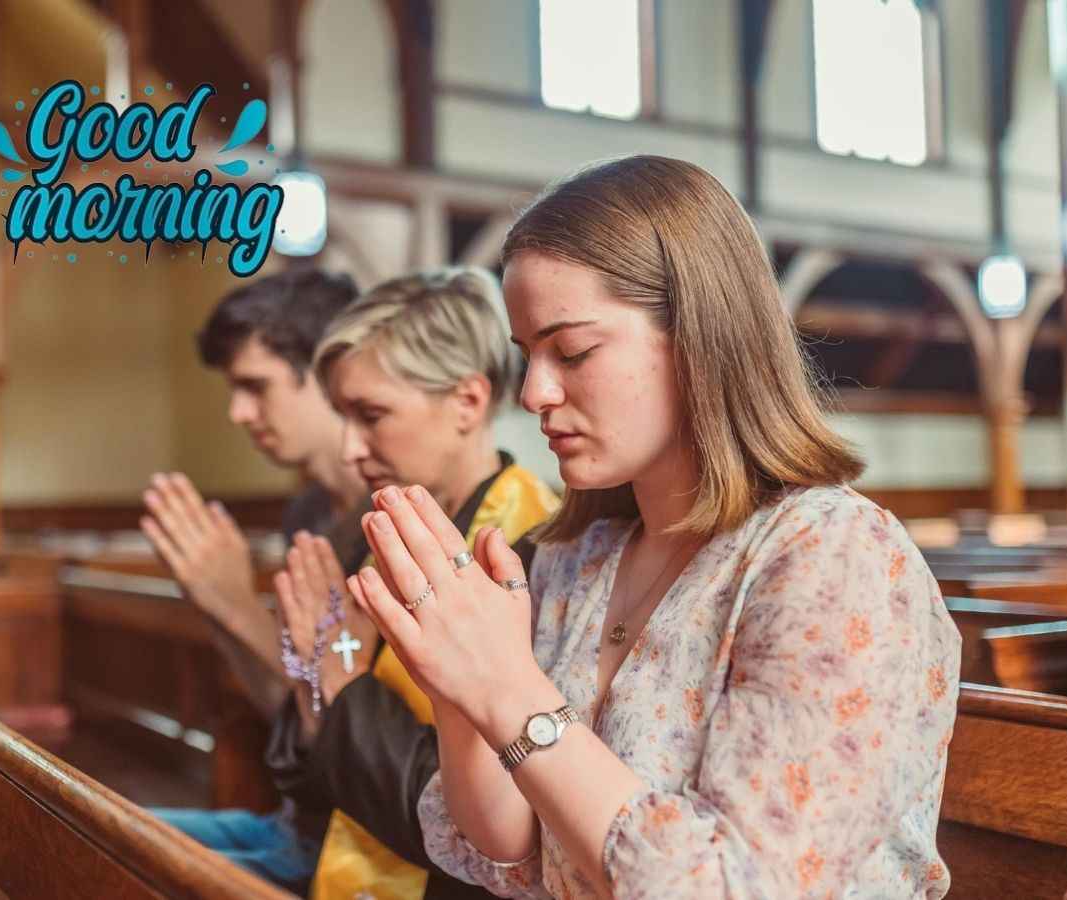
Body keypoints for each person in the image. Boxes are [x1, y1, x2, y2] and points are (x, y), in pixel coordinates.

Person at [345, 156, 963, 899]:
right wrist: (458, 683)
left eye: (571, 350)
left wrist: (507, 689)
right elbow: (507, 849)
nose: (536, 392)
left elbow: (741, 887)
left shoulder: (835, 557)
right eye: (528, 356)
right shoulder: (581, 557)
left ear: (701, 336)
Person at [267, 266, 560, 900]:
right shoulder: (369, 534)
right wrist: (312, 666)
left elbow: (472, 824)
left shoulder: (535, 551)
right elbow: (303, 772)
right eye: (342, 416)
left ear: (468, 402)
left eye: (371, 414)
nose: (349, 449)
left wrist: (336, 680)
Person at [139, 265, 366, 894]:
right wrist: (213, 602)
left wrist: (238, 605)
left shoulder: (396, 518)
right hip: (292, 825)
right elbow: (288, 707)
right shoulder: (310, 513)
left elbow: (351, 727)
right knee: (78, 830)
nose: (238, 412)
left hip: (356, 851)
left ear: (328, 375)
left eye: (254, 386)